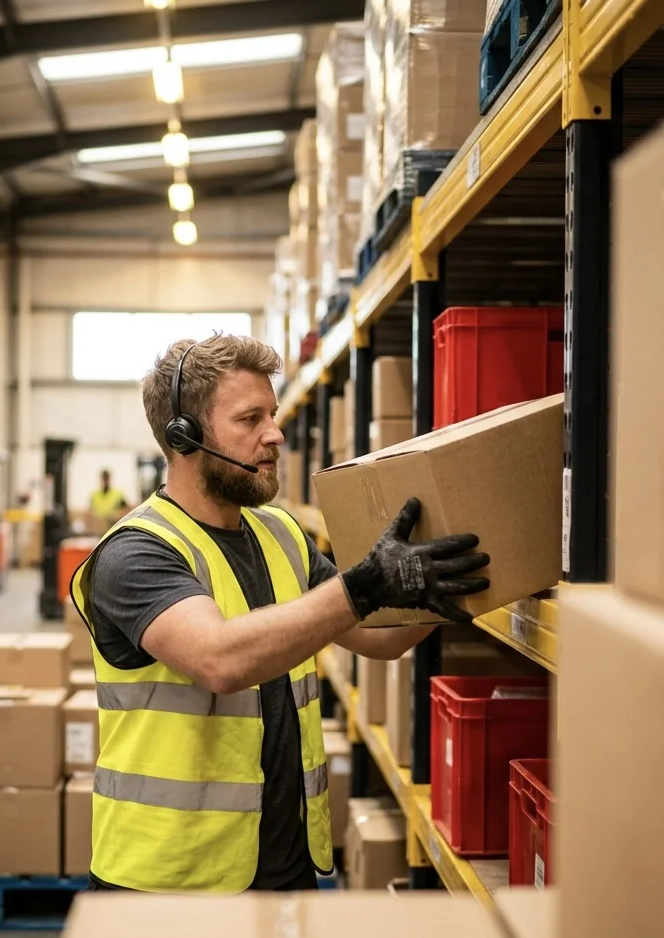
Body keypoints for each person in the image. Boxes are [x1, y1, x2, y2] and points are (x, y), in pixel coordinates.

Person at [70, 335, 490, 894]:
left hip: (282, 865)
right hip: (170, 879)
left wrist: (448, 579)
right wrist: (364, 585)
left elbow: (379, 639)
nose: (275, 434)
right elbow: (219, 659)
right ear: (184, 437)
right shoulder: (137, 552)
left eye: (273, 413)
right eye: (250, 419)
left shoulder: (281, 533)